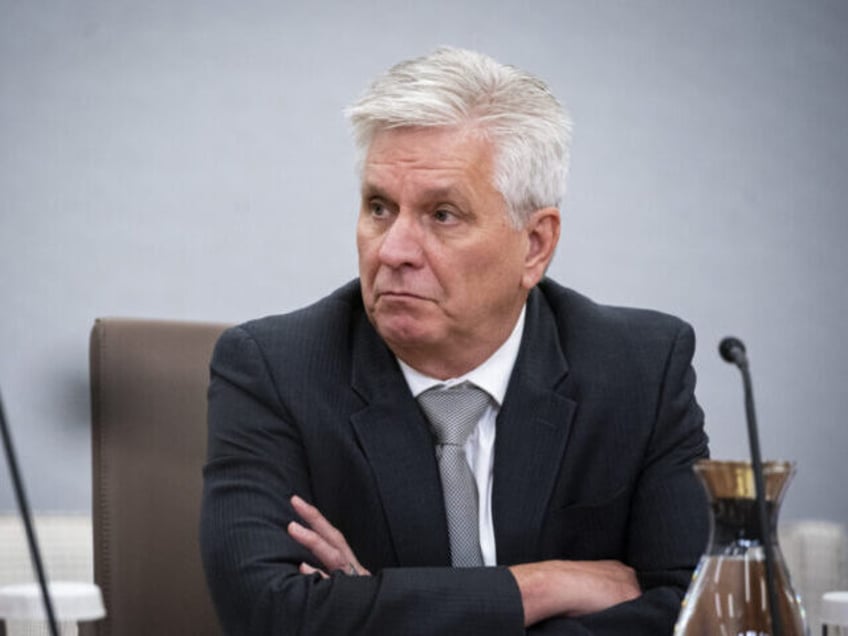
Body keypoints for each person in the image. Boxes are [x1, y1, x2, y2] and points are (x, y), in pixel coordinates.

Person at [200, 47, 709, 635]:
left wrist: (375, 607)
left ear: (535, 245)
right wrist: (542, 586)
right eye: (378, 208)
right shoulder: (275, 371)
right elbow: (267, 614)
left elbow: (694, 611)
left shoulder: (641, 369)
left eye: (442, 214)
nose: (393, 250)